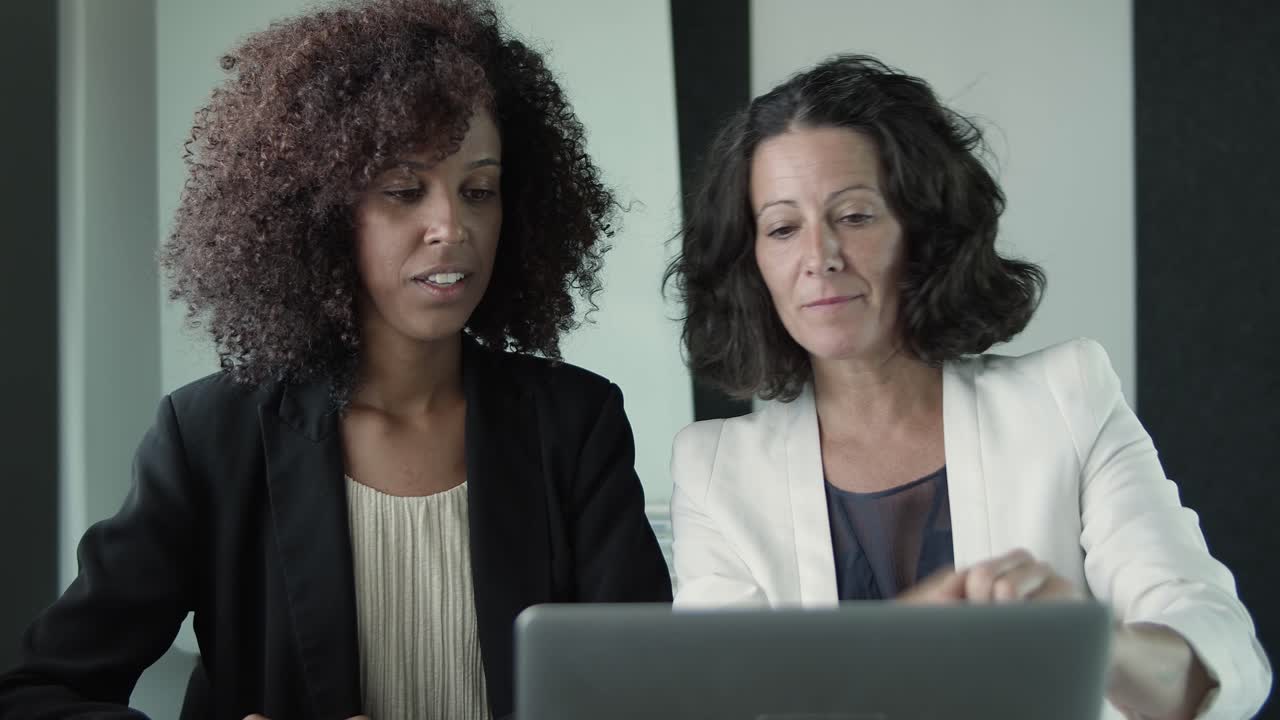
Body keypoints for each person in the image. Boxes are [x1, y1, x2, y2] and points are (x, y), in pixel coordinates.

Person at [0, 1, 672, 718]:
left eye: (479, 190)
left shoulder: (574, 423)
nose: (452, 225)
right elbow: (40, 695)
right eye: (404, 190)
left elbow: (647, 693)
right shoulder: (208, 437)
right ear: (320, 212)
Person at [663, 54, 1270, 719]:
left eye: (856, 216)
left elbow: (1225, 654)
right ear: (753, 265)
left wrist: (1096, 644)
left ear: (923, 232)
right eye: (782, 228)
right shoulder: (715, 470)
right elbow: (719, 701)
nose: (820, 257)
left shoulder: (1067, 396)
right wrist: (893, 645)